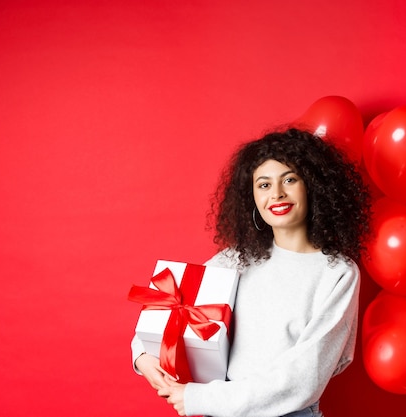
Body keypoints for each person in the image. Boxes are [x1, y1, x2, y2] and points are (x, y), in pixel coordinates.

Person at [131, 127, 371, 417]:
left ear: (313, 187)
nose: (277, 194)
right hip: (219, 409)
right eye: (264, 185)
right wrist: (142, 356)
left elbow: (304, 380)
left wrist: (199, 398)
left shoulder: (338, 274)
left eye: (290, 180)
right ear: (252, 197)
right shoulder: (236, 259)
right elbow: (169, 314)